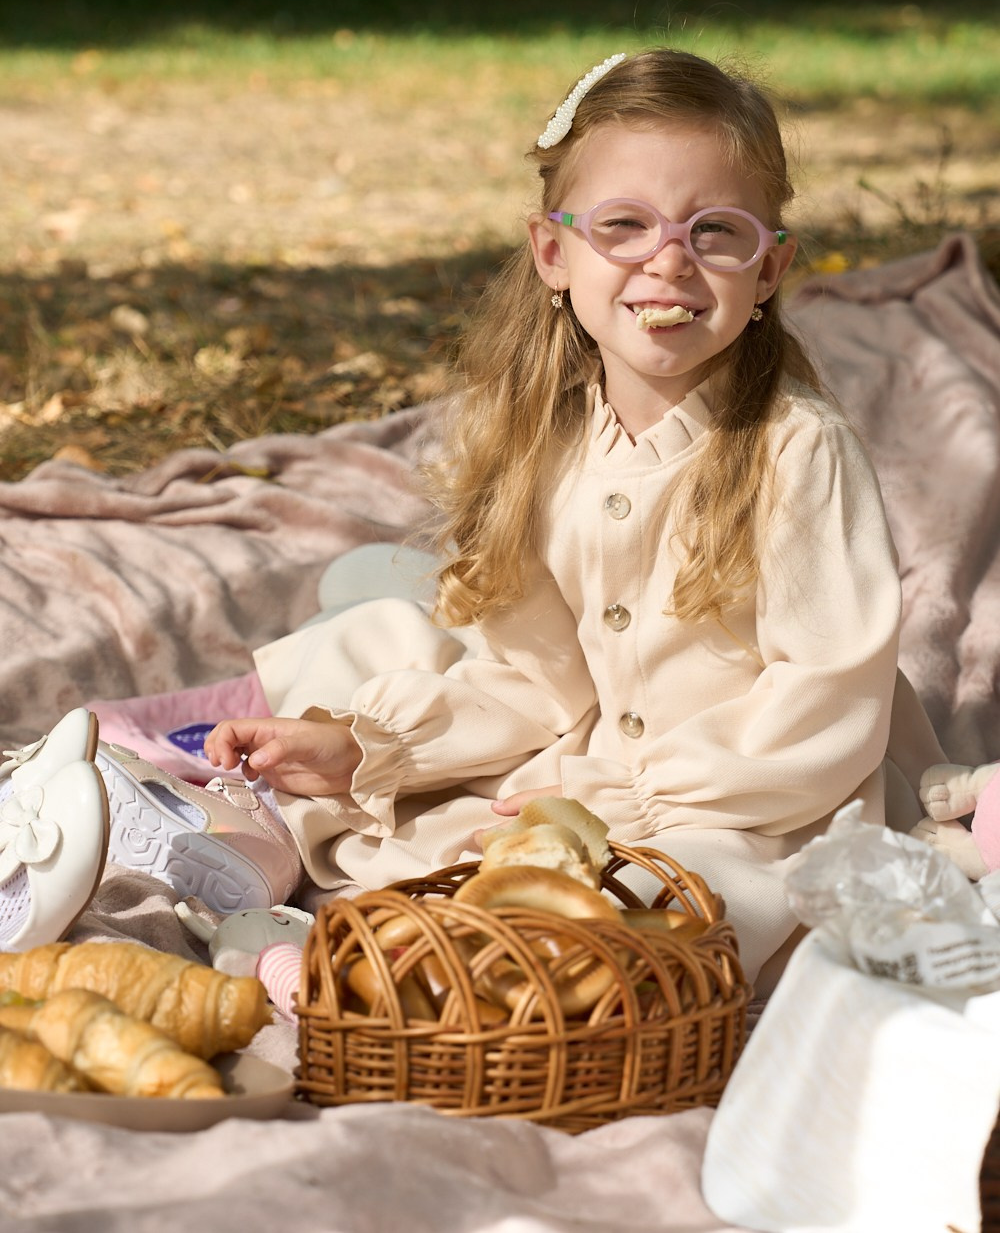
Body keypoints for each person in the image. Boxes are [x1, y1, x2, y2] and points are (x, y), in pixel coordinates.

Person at [2, 48, 945, 994]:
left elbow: (824, 705)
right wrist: (374, 749)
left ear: (771, 267)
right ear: (554, 255)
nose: (669, 262)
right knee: (410, 788)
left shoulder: (795, 451)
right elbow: (533, 684)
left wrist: (626, 793)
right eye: (624, 226)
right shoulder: (551, 439)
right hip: (594, 768)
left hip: (764, 796)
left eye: (717, 234)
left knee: (651, 931)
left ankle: (344, 970)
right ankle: (211, 828)